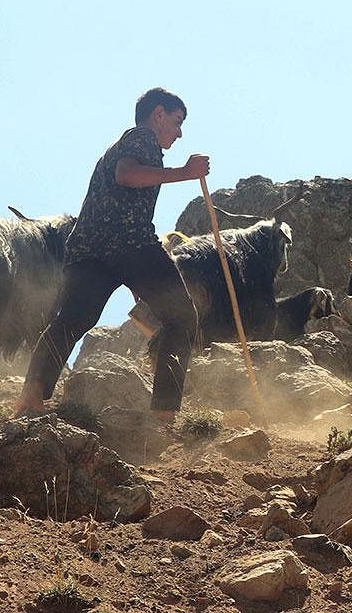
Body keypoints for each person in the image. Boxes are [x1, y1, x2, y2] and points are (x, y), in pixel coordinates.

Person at [15, 87, 208, 422]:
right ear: (158, 114)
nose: (179, 133)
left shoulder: (119, 145)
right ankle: (164, 416)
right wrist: (185, 173)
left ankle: (31, 398)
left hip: (88, 248)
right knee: (182, 318)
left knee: (72, 319)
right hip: (132, 243)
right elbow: (127, 175)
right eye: (177, 121)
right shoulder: (142, 137)